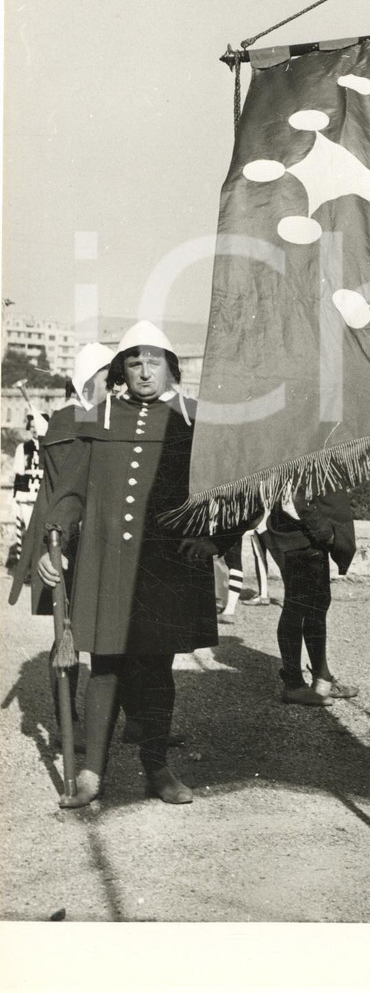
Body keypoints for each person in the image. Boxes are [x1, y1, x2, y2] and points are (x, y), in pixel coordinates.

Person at [38, 322, 237, 808]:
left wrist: (215, 539)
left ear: (171, 368)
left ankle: (157, 769)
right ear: (120, 371)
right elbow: (71, 492)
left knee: (156, 670)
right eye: (134, 362)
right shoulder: (95, 418)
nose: (144, 372)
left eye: (154, 362)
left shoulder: (194, 419)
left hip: (164, 568)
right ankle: (91, 774)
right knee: (105, 665)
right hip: (107, 562)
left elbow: (238, 488)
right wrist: (54, 542)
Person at [9, 344, 114, 748]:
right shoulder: (76, 419)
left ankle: (115, 720)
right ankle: (70, 724)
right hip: (71, 543)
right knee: (71, 633)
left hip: (81, 539)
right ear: (87, 381)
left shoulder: (73, 417)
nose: (114, 389)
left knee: (96, 632)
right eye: (107, 380)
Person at [263, 486, 358, 705]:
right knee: (296, 606)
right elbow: (292, 500)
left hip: (309, 537)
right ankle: (294, 685)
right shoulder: (297, 461)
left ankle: (322, 680)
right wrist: (326, 533)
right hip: (298, 537)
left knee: (318, 605)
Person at [10, 418, 45, 568]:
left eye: (37, 426)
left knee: (42, 533)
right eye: (32, 427)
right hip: (27, 496)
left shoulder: (50, 447)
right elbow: (19, 475)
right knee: (30, 531)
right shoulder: (23, 448)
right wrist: (15, 498)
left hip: (44, 496)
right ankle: (27, 568)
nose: (35, 430)